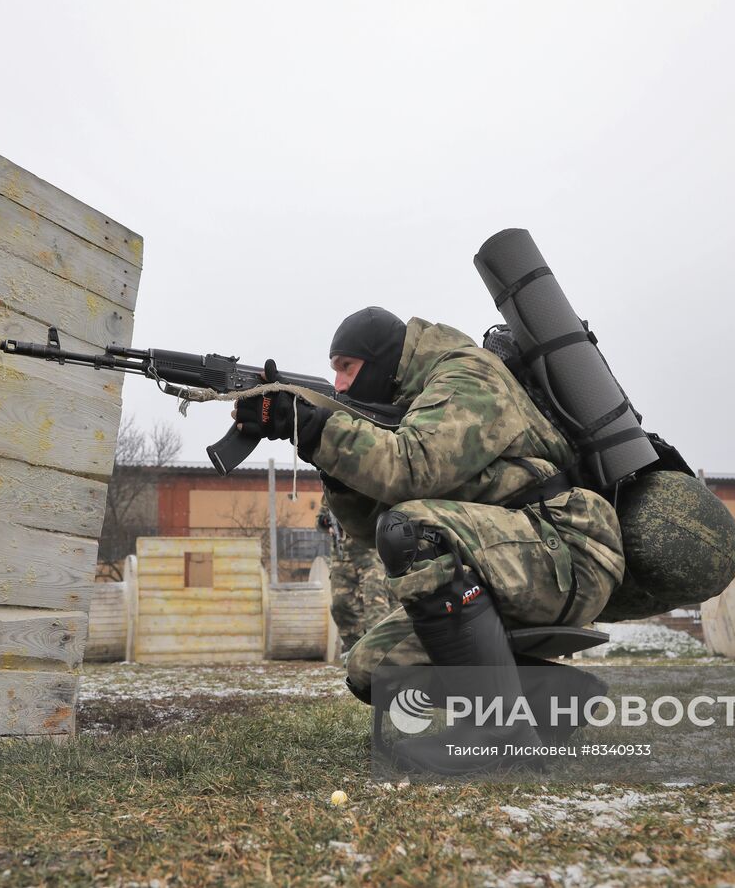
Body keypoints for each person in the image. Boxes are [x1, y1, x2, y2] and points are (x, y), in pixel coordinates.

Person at [235, 306, 625, 772]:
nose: (338, 385)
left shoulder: (469, 374)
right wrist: (330, 463)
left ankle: (503, 738)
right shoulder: (411, 404)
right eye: (333, 372)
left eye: (347, 368)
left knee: (415, 530)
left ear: (381, 362)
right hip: (508, 558)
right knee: (374, 671)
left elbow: (413, 469)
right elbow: (367, 529)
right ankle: (557, 701)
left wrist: (319, 428)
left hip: (567, 546)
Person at [317, 498, 394, 654]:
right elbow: (320, 521)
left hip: (371, 553)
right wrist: (325, 522)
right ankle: (356, 651)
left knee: (375, 604)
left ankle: (380, 653)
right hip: (342, 556)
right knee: (341, 605)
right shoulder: (331, 489)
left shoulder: (366, 484)